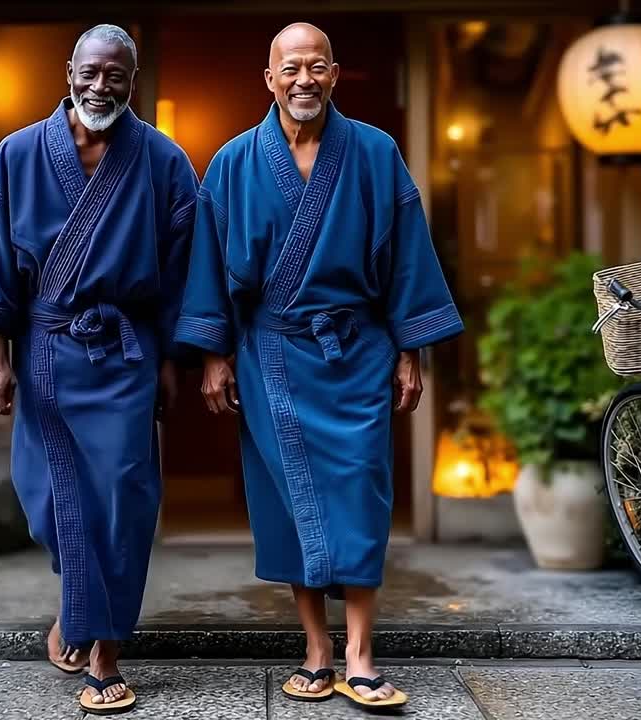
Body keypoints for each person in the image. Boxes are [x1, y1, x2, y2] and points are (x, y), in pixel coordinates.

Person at [174, 22, 463, 711]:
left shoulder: (374, 152)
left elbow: (406, 258)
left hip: (357, 348)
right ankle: (316, 649)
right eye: (290, 69)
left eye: (317, 67)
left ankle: (361, 652)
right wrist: (214, 355)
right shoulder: (235, 162)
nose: (304, 80)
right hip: (269, 351)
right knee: (285, 501)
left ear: (335, 74)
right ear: (268, 80)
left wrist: (408, 349)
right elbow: (209, 265)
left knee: (361, 495)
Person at [0, 23, 196, 714]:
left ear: (131, 81)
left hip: (125, 354)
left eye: (116, 74)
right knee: (51, 498)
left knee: (123, 502)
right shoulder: (18, 154)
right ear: (69, 72)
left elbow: (179, 274)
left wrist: (171, 361)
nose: (101, 85)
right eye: (91, 71)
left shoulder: (165, 161)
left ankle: (103, 652)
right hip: (47, 347)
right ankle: (77, 609)